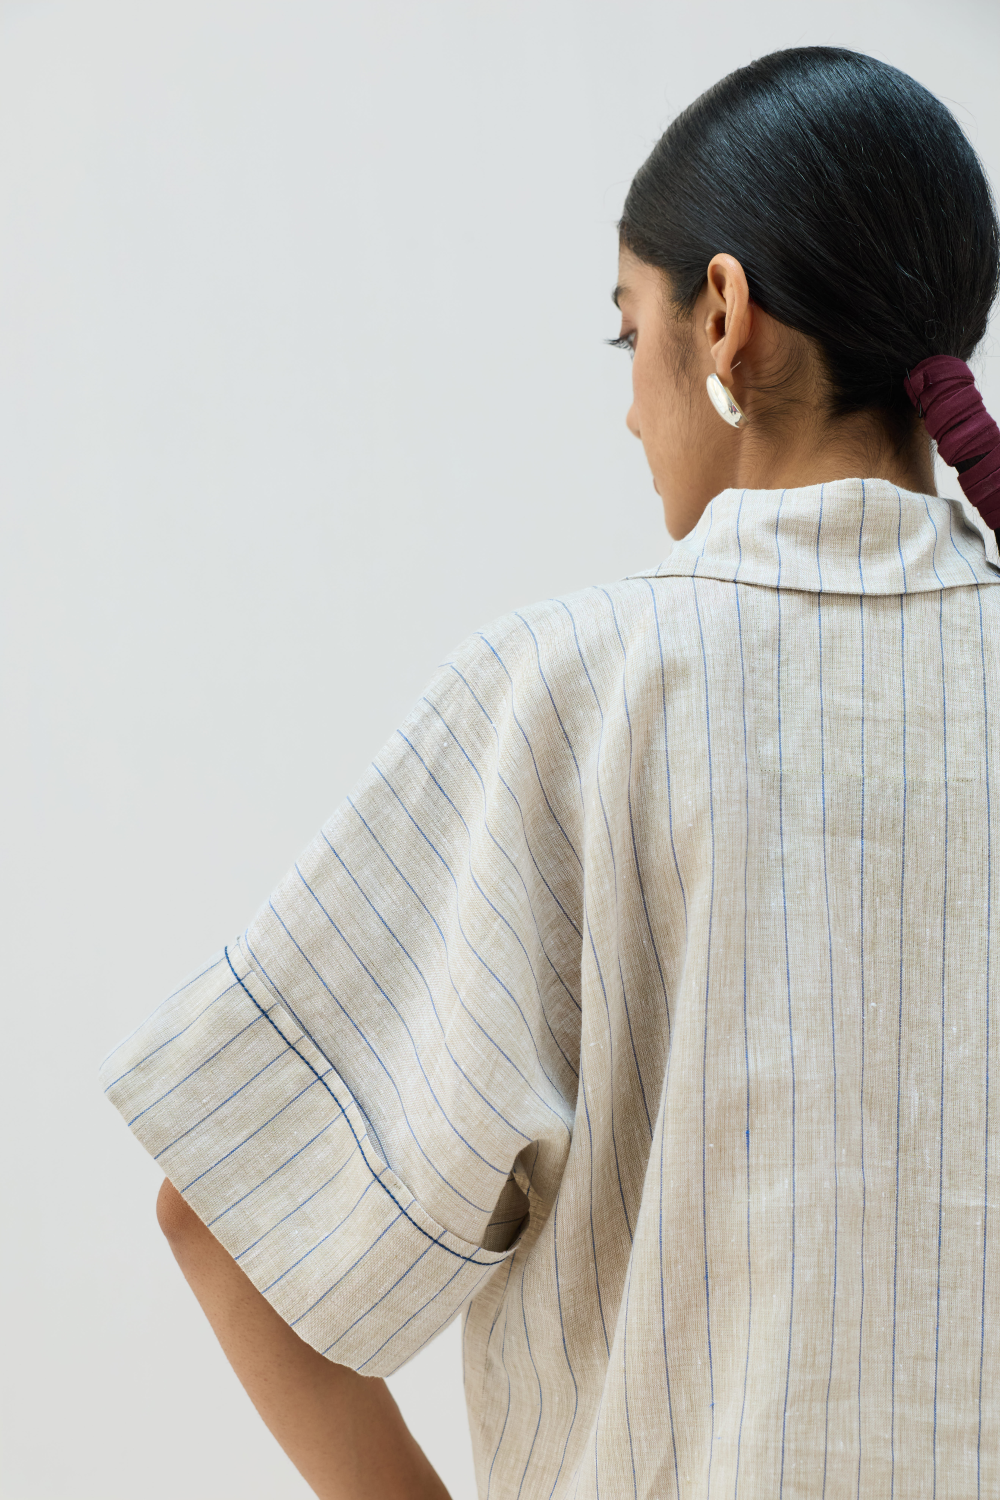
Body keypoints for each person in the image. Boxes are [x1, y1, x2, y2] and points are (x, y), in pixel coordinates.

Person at [100, 44, 1000, 1500]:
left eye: (626, 332)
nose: (629, 405)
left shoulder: (575, 694)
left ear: (724, 318)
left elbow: (226, 1210)